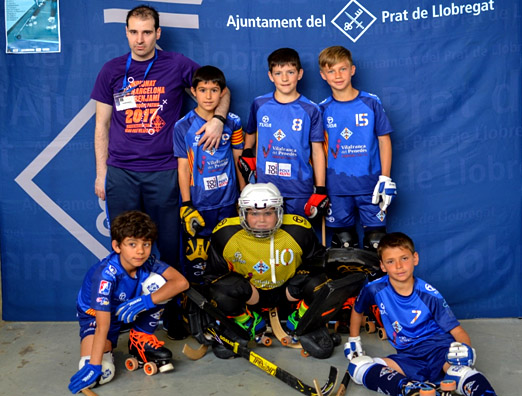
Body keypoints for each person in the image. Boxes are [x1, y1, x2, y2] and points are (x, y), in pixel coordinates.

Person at [91, 4, 229, 269]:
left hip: (164, 170)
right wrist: (100, 173)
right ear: (126, 33)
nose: (139, 39)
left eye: (146, 32)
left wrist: (218, 121)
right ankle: (127, 300)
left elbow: (220, 91)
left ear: (158, 33)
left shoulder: (176, 64)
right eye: (133, 32)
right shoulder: (112, 70)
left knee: (167, 244)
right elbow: (101, 125)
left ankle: (169, 305)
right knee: (125, 243)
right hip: (121, 171)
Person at [344, 232, 497, 396]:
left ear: (415, 258)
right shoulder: (374, 288)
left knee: (459, 371)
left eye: (404, 258)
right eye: (390, 261)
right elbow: (358, 309)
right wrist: (354, 340)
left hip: (438, 350)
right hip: (408, 356)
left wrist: (466, 349)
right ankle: (410, 388)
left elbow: (457, 331)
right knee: (357, 366)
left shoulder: (430, 295)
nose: (398, 266)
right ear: (382, 266)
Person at [204, 182, 333, 359]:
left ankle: (301, 318)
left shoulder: (299, 229)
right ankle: (247, 322)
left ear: (279, 212)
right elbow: (214, 276)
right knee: (219, 291)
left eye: (268, 212)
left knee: (321, 282)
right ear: (243, 213)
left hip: (288, 292)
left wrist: (300, 281)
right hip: (252, 295)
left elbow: (317, 264)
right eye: (254, 213)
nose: (261, 220)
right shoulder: (225, 233)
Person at [68, 210, 189, 394]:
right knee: (102, 374)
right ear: (117, 246)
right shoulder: (105, 275)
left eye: (146, 244)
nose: (140, 251)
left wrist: (145, 301)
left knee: (161, 283)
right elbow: (103, 325)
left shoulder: (147, 261)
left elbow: (181, 282)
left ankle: (140, 336)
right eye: (132, 244)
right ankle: (100, 357)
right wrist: (94, 365)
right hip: (99, 318)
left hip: (128, 309)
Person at [318, 46, 396, 251]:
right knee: (344, 245)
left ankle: (377, 284)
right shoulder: (322, 109)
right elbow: (317, 150)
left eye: (342, 69)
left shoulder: (370, 103)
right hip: (337, 188)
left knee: (376, 243)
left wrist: (385, 178)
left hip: (370, 186)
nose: (337, 75)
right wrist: (318, 187)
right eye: (331, 71)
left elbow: (384, 140)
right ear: (323, 75)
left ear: (352, 70)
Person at [173, 65, 244, 283]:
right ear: (193, 92)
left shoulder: (233, 122)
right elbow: (183, 167)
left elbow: (238, 160)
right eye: (202, 90)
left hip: (228, 202)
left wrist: (244, 195)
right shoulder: (183, 126)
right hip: (200, 205)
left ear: (223, 93)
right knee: (198, 264)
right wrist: (186, 204)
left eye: (214, 90)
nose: (208, 95)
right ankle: (197, 314)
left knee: (230, 261)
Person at [239, 48, 328, 220]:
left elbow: (317, 151)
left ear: (300, 74)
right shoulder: (259, 104)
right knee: (267, 240)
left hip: (299, 187)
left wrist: (321, 189)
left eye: (290, 72)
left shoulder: (311, 109)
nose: (285, 78)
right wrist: (247, 153)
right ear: (270, 76)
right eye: (278, 73)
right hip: (265, 187)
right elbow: (250, 133)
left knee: (297, 239)